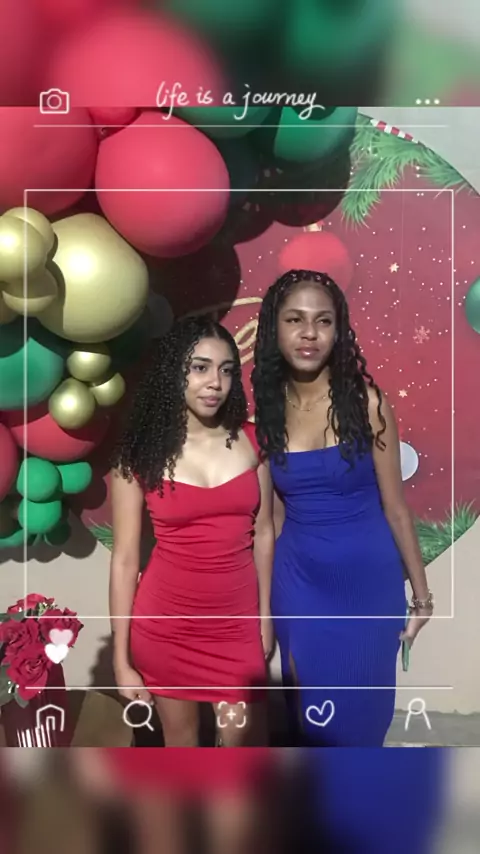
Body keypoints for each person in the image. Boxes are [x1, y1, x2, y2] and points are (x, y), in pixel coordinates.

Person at [251, 269, 433, 747]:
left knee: (363, 725)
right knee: (309, 725)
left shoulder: (368, 404)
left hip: (369, 589)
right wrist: (262, 608)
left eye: (323, 321)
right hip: (299, 586)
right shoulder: (265, 416)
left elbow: (397, 508)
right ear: (274, 329)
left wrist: (422, 598)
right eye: (295, 319)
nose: (309, 333)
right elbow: (271, 522)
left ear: (338, 331)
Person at [110, 317, 274, 747]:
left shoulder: (254, 442)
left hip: (237, 627)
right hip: (166, 628)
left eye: (226, 370)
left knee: (242, 754)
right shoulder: (139, 457)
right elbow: (125, 560)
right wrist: (121, 661)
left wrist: (265, 615)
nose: (215, 382)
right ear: (174, 373)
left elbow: (265, 535)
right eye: (200, 367)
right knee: (181, 749)